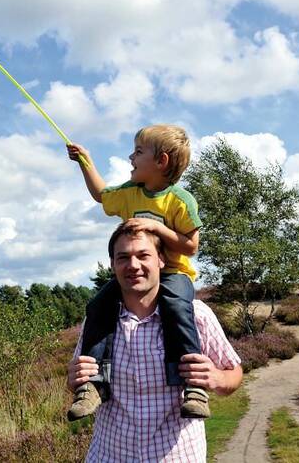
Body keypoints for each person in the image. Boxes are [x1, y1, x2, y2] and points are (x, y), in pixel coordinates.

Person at [67, 124, 207, 420]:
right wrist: (85, 162)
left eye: (138, 152)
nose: (131, 157)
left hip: (173, 274)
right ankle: (94, 384)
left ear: (161, 162)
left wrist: (157, 227)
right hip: (135, 276)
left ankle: (193, 386)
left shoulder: (180, 201)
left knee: (177, 307)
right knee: (98, 306)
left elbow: (191, 246)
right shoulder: (130, 193)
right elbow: (101, 195)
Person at [67, 224, 243, 462]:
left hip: (178, 456)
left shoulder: (195, 315)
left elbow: (234, 373)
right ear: (112, 265)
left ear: (161, 260)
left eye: (143, 255)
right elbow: (80, 379)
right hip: (109, 455)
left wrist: (218, 378)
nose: (133, 265)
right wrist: (73, 380)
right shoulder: (97, 319)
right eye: (123, 257)